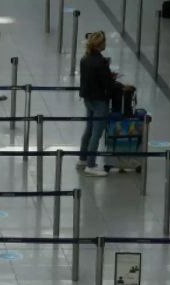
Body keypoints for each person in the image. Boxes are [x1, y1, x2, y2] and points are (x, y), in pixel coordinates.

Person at [78, 31, 115, 177]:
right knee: (96, 132)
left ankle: (83, 158)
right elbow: (106, 83)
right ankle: (91, 164)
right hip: (100, 99)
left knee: (89, 128)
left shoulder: (84, 59)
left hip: (88, 98)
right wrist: (113, 81)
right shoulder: (101, 62)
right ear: (101, 44)